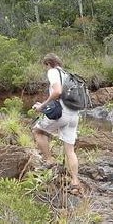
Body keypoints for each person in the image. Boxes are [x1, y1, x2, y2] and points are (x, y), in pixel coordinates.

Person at [32, 53, 82, 194]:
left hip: (61, 114)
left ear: (48, 63)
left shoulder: (53, 72)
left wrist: (42, 106)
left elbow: (57, 91)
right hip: (74, 114)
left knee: (37, 131)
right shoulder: (67, 74)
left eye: (45, 66)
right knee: (70, 150)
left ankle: (49, 161)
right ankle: (75, 183)